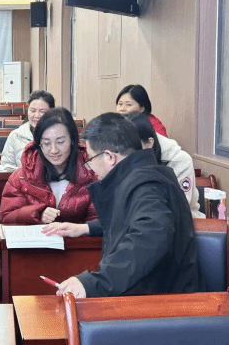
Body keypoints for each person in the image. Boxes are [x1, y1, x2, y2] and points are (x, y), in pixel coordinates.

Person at [42, 113, 201, 299]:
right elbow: (131, 219)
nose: (91, 168)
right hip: (152, 293)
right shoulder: (144, 174)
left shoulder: (147, 186)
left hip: (162, 303)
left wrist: (95, 282)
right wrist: (86, 228)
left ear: (109, 157)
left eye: (91, 159)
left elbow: (151, 235)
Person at [0, 107, 97, 224]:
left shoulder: (92, 173)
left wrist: (75, 229)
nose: (53, 150)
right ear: (39, 144)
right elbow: (6, 217)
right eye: (46, 143)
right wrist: (37, 213)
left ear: (72, 140)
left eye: (60, 142)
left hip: (78, 236)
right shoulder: (21, 177)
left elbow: (100, 221)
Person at [126, 113, 205, 218]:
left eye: (132, 146)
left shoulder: (179, 160)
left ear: (149, 143)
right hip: (138, 220)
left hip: (184, 221)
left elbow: (180, 207)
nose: (126, 153)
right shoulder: (120, 156)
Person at [0, 90, 56, 171]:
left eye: (42, 112)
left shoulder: (60, 136)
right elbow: (6, 166)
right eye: (33, 111)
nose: (37, 115)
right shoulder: (15, 135)